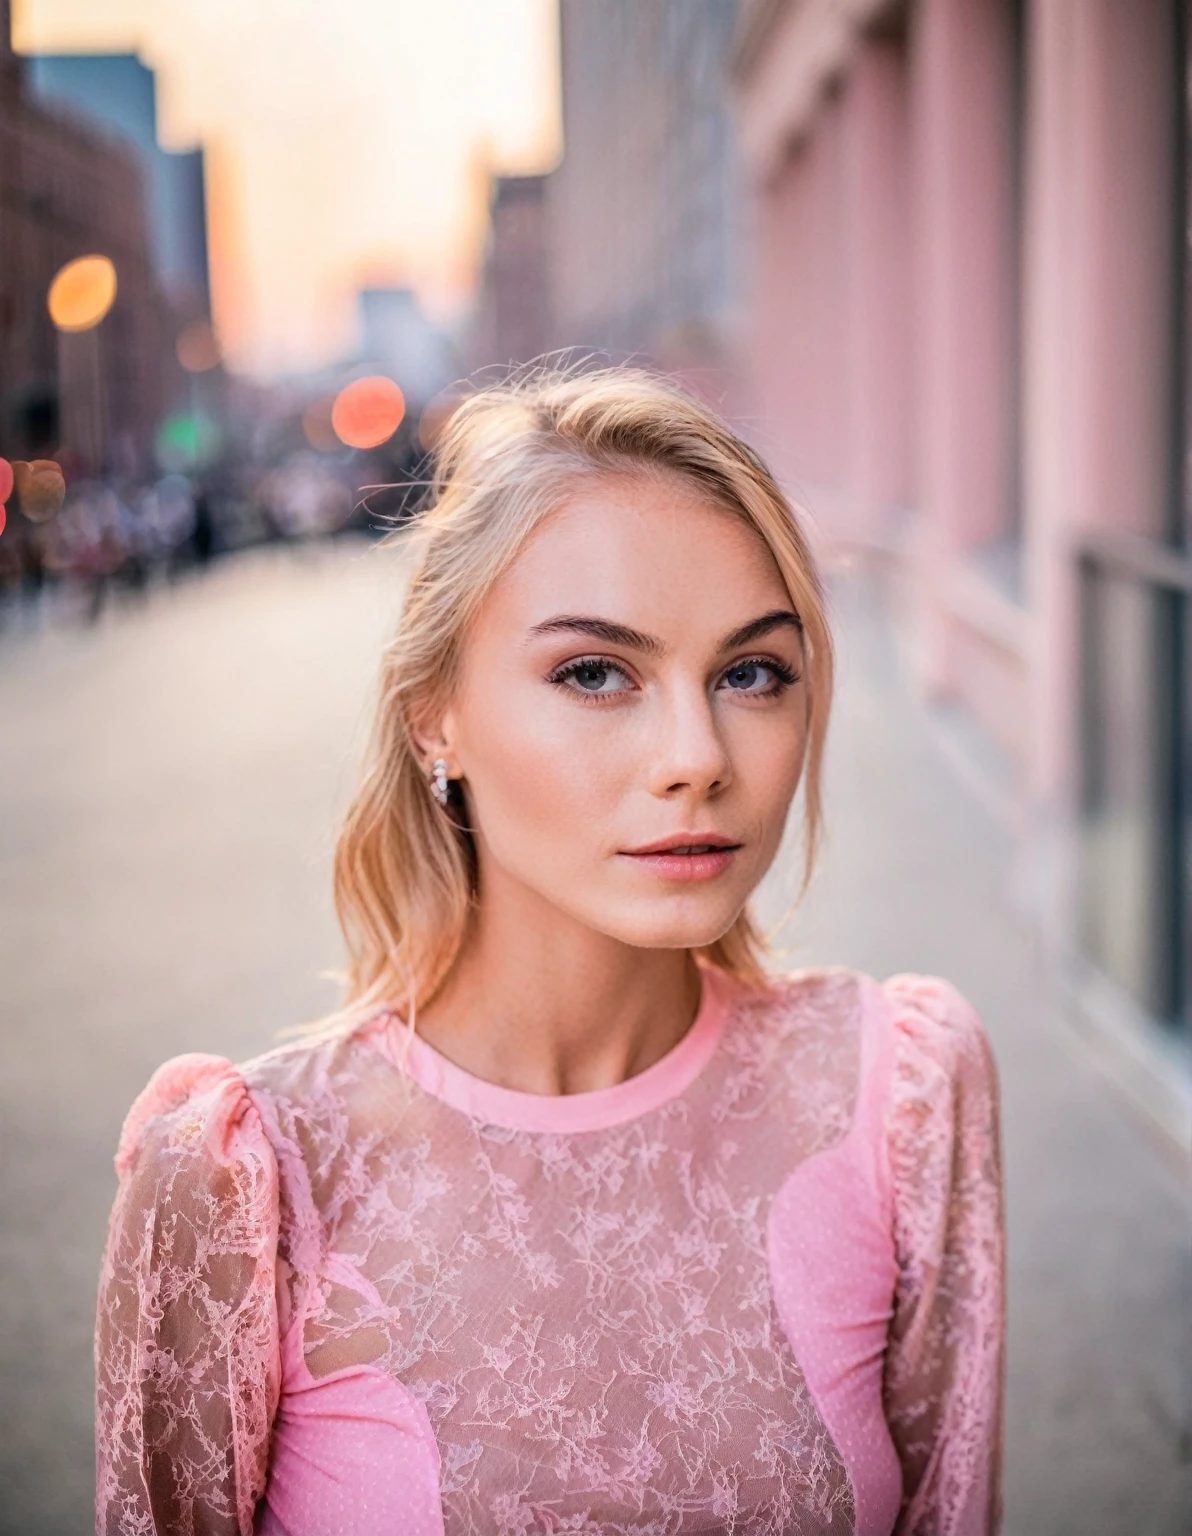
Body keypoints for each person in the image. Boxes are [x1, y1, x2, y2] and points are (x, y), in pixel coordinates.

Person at [95, 369, 1005, 1536]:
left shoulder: (899, 1094)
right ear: (437, 716)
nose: (696, 755)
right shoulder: (247, 1183)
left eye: (751, 672)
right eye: (593, 672)